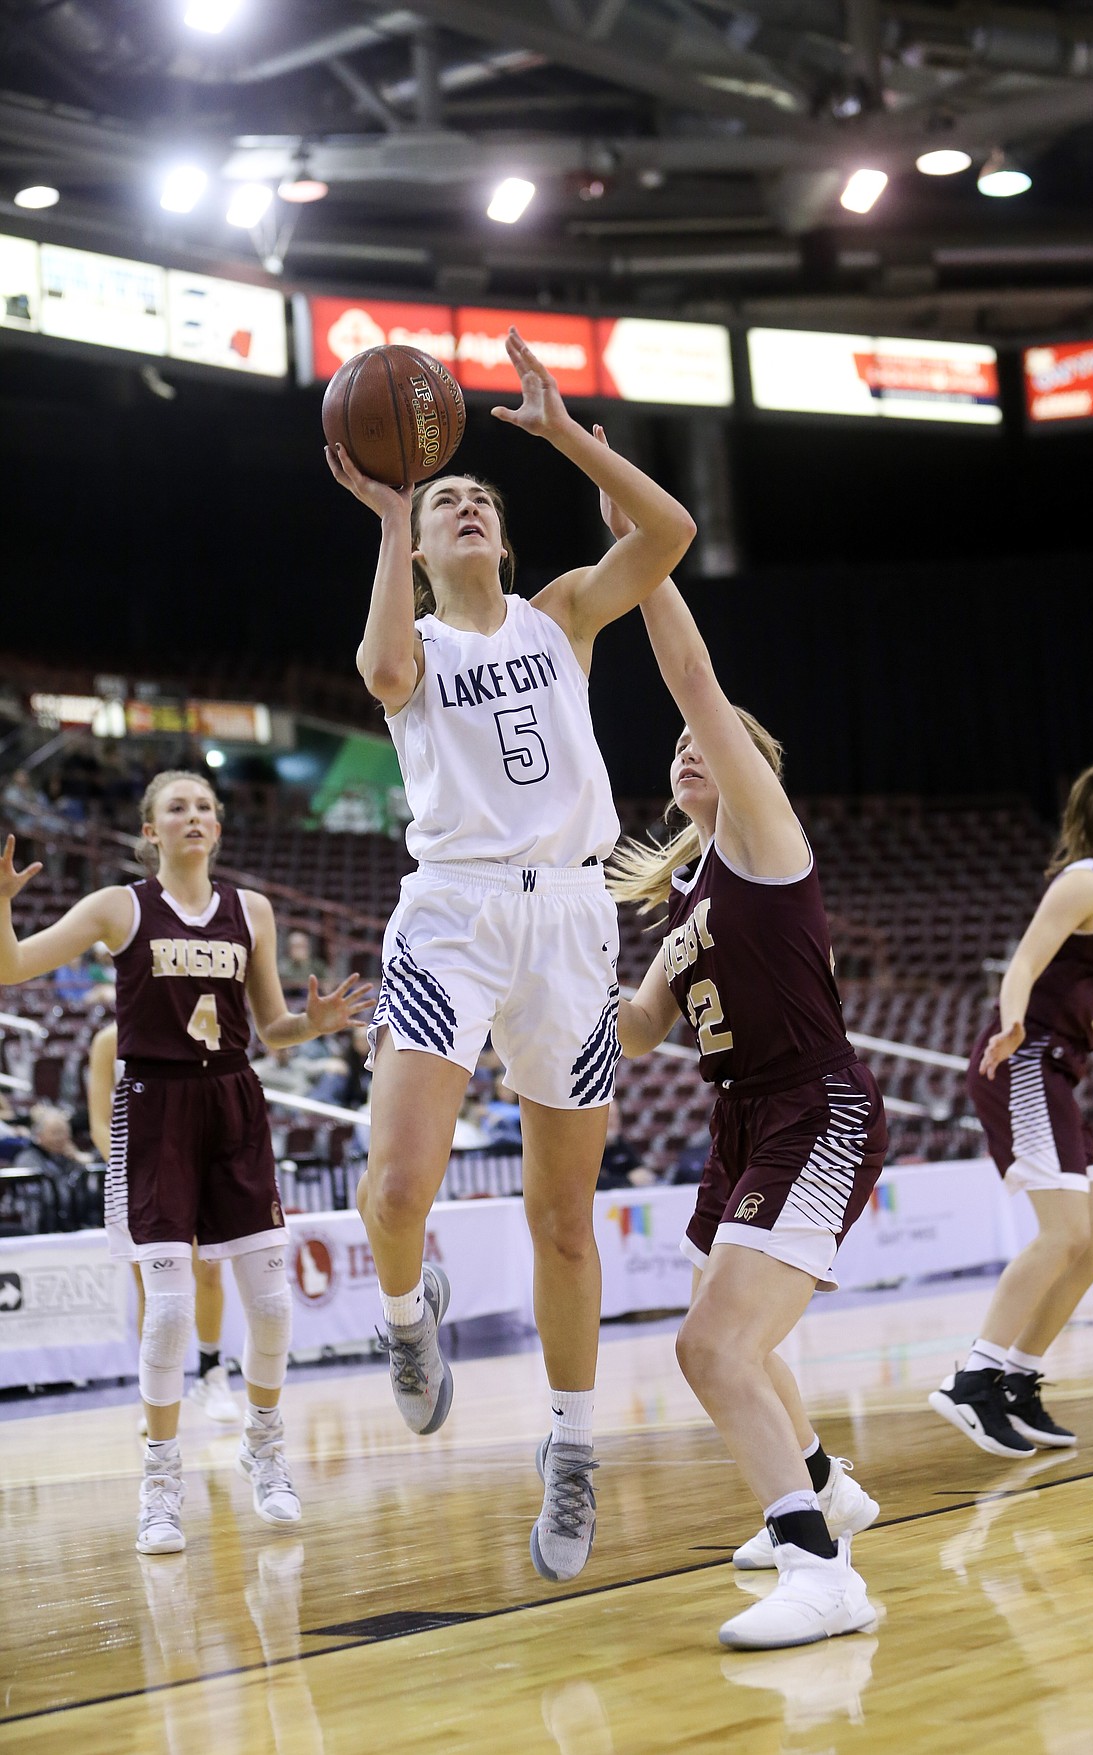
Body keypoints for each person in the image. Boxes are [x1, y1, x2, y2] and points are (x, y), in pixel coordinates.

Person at [325, 325, 695, 1583]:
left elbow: (669, 536)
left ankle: (574, 1447)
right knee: (394, 1194)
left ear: (506, 537)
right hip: (457, 913)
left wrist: (561, 432)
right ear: (425, 550)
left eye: (480, 495)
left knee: (564, 1222)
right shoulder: (422, 645)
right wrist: (387, 519)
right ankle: (403, 1314)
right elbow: (381, 669)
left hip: (571, 927)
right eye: (446, 503)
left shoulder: (557, 621)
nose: (468, 504)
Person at [607, 474, 886, 1650]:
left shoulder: (766, 844)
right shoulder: (688, 900)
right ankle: (826, 1491)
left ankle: (824, 1573)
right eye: (674, 747)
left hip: (813, 1109)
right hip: (746, 1121)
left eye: (705, 745)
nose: (685, 747)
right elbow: (633, 1034)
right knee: (736, 1340)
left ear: (748, 766)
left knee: (711, 1346)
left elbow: (693, 680)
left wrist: (644, 562)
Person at [0, 770, 371, 1555]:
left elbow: (271, 1028)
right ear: (150, 829)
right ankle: (159, 1481)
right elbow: (11, 967)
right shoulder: (118, 906)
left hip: (234, 1102)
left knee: (271, 1307)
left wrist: (318, 1022)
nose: (194, 815)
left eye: (205, 806)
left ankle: (265, 1450)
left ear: (219, 827)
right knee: (168, 1314)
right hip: (155, 1107)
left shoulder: (253, 911)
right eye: (178, 807)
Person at [929, 763, 1093, 1458]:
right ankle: (972, 1379)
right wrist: (1010, 1023)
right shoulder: (1083, 883)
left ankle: (1017, 1379)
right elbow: (1023, 965)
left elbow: (1088, 1017)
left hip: (1059, 1070)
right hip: (1024, 1063)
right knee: (1063, 1234)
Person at [88, 1022, 241, 1429]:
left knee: (208, 1269)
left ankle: (211, 1374)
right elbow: (99, 1123)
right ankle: (154, 1392)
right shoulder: (107, 1041)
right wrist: (129, 1170)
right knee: (150, 1289)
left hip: (194, 1166)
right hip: (135, 1177)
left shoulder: (187, 1025)